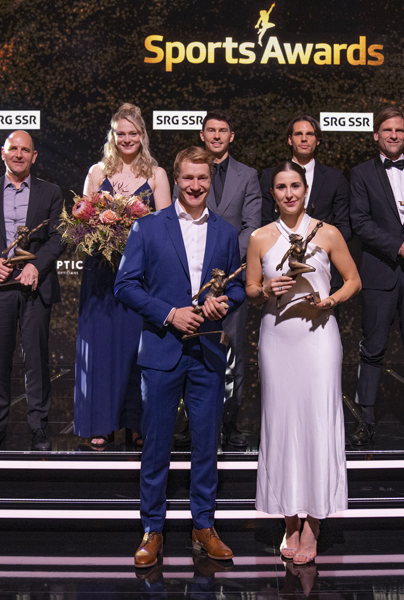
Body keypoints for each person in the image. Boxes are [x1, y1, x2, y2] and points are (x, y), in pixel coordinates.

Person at [115, 146, 244, 568]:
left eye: (202, 178)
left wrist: (225, 302)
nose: (194, 185)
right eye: (188, 178)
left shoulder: (226, 232)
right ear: (176, 179)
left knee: (207, 444)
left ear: (211, 181)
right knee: (156, 446)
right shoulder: (149, 227)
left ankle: (203, 526)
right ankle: (152, 529)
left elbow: (237, 285)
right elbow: (125, 286)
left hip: (207, 352)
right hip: (162, 350)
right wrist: (170, 314)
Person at [246, 161, 361, 564]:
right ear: (272, 193)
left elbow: (353, 280)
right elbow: (250, 289)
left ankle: (313, 523)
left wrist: (331, 300)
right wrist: (265, 288)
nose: (289, 193)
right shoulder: (260, 237)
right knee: (281, 426)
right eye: (281, 187)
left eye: (295, 185)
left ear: (306, 189)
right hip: (278, 339)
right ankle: (289, 520)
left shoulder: (327, 232)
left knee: (317, 424)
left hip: (318, 338)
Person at [74, 103, 171, 449]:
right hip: (101, 275)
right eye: (121, 133)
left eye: (133, 133)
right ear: (112, 136)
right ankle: (99, 422)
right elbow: (83, 222)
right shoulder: (97, 172)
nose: (127, 139)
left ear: (142, 135)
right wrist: (103, 230)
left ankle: (136, 423)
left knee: (137, 349)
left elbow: (165, 226)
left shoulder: (157, 174)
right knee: (100, 349)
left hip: (142, 277)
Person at [0, 130, 64, 451]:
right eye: (13, 149)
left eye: (25, 150)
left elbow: (60, 237)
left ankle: (39, 428)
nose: (19, 154)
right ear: (3, 152)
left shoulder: (51, 192)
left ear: (34, 156)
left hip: (35, 286)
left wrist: (37, 266)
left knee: (37, 361)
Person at [348, 107, 404, 446]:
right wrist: (400, 247)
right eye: (387, 130)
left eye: (399, 130)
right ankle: (366, 419)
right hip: (379, 271)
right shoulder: (360, 173)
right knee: (372, 347)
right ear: (376, 135)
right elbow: (360, 222)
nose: (393, 135)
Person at [172, 110, 262, 447]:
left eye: (223, 130)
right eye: (210, 130)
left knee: (232, 350)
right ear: (202, 134)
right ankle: (187, 421)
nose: (216, 136)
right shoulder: (189, 172)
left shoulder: (248, 175)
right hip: (191, 278)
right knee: (187, 348)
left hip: (231, 277)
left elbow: (251, 225)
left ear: (231, 136)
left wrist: (225, 260)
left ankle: (230, 422)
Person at [260, 114, 351, 294]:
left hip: (325, 271)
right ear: (289, 139)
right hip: (279, 272)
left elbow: (344, 228)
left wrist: (318, 248)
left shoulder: (335, 178)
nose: (304, 139)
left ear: (318, 141)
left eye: (309, 134)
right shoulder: (269, 176)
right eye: (298, 134)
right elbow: (264, 222)